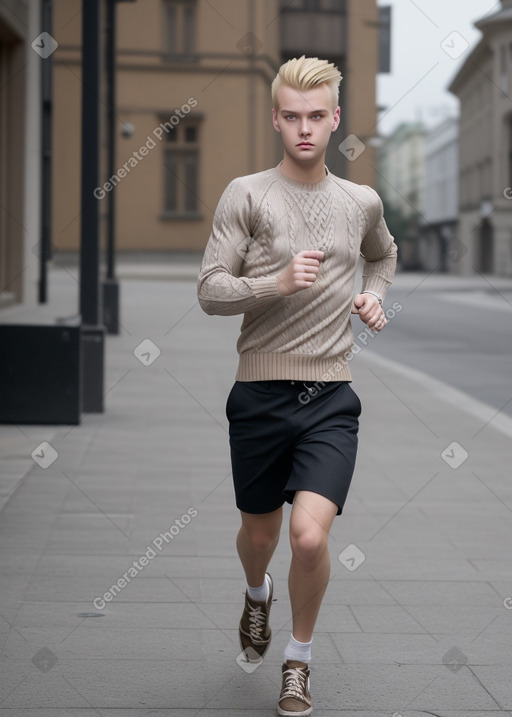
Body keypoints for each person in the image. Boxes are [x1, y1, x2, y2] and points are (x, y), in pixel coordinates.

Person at [197, 55, 397, 716]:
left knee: (309, 537)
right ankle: (257, 595)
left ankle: (297, 661)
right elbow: (210, 291)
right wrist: (274, 283)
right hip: (258, 394)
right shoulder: (246, 194)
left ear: (335, 118)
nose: (305, 129)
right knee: (261, 537)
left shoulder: (360, 201)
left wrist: (372, 297)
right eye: (292, 116)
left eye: (317, 116)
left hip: (330, 398)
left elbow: (383, 253)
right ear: (276, 117)